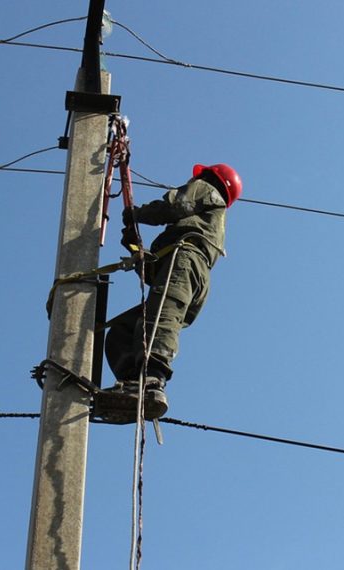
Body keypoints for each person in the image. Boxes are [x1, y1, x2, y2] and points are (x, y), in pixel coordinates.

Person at [102, 163, 242, 420]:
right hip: (189, 272)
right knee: (124, 330)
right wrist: (135, 248)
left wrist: (136, 213)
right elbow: (153, 273)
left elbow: (174, 205)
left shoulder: (207, 189)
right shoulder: (200, 225)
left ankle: (152, 381)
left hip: (186, 262)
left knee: (161, 319)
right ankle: (132, 383)